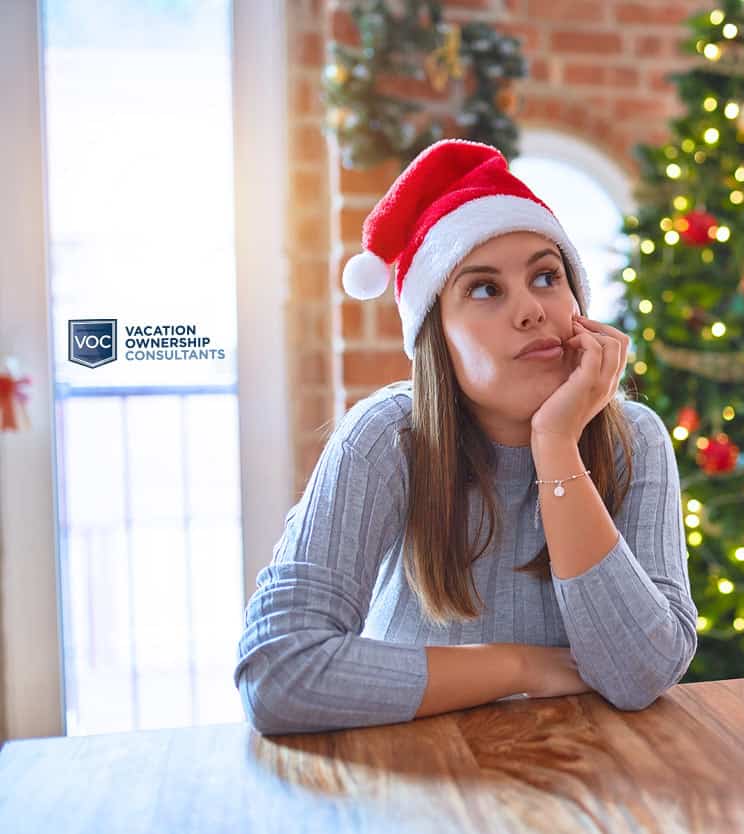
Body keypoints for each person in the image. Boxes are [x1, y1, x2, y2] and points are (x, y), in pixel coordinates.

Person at [233, 139, 698, 735]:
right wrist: (517, 666)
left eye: (547, 277)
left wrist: (556, 446)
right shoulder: (385, 439)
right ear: (437, 338)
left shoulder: (634, 437)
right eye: (485, 289)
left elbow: (642, 673)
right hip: (415, 781)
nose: (531, 309)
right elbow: (278, 674)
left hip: (587, 789)